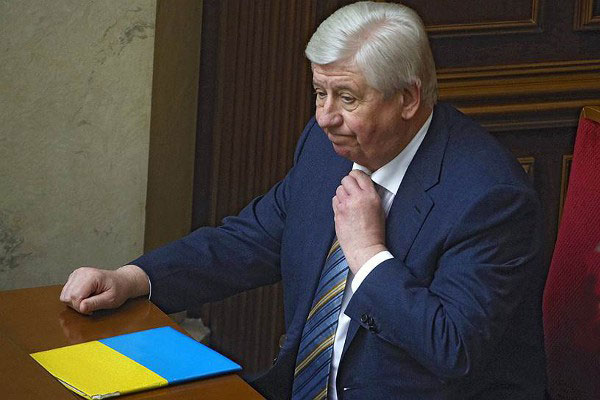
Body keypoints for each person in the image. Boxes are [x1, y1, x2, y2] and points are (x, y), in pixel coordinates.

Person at [60, 2, 547, 399]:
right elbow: (252, 239)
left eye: (347, 98)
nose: (324, 117)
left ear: (408, 99)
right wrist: (133, 278)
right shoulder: (326, 148)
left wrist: (368, 256)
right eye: (319, 93)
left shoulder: (490, 199)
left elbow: (453, 347)